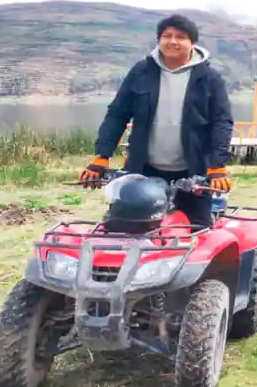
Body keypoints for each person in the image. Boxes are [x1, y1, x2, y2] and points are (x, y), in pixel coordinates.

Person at [79, 13, 235, 229]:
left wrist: (217, 165)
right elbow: (117, 113)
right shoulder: (141, 72)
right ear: (158, 40)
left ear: (192, 43)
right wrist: (102, 156)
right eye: (166, 36)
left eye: (180, 36)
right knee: (124, 226)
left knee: (197, 232)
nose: (172, 41)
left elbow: (222, 122)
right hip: (142, 169)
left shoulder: (210, 78)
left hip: (194, 170)